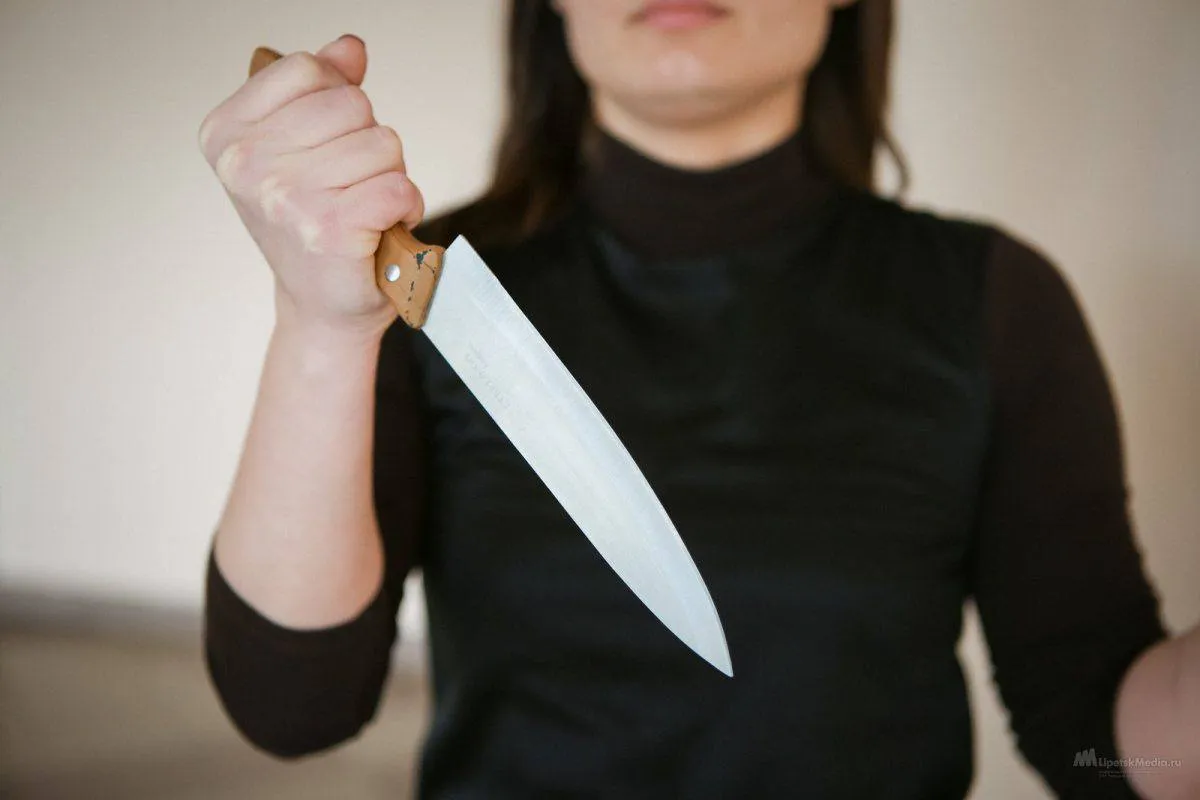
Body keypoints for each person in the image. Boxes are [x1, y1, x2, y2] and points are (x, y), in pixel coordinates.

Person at [196, 2, 1197, 798]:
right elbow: (293, 710)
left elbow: (1102, 745)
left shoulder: (993, 300)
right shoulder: (405, 299)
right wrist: (320, 326)